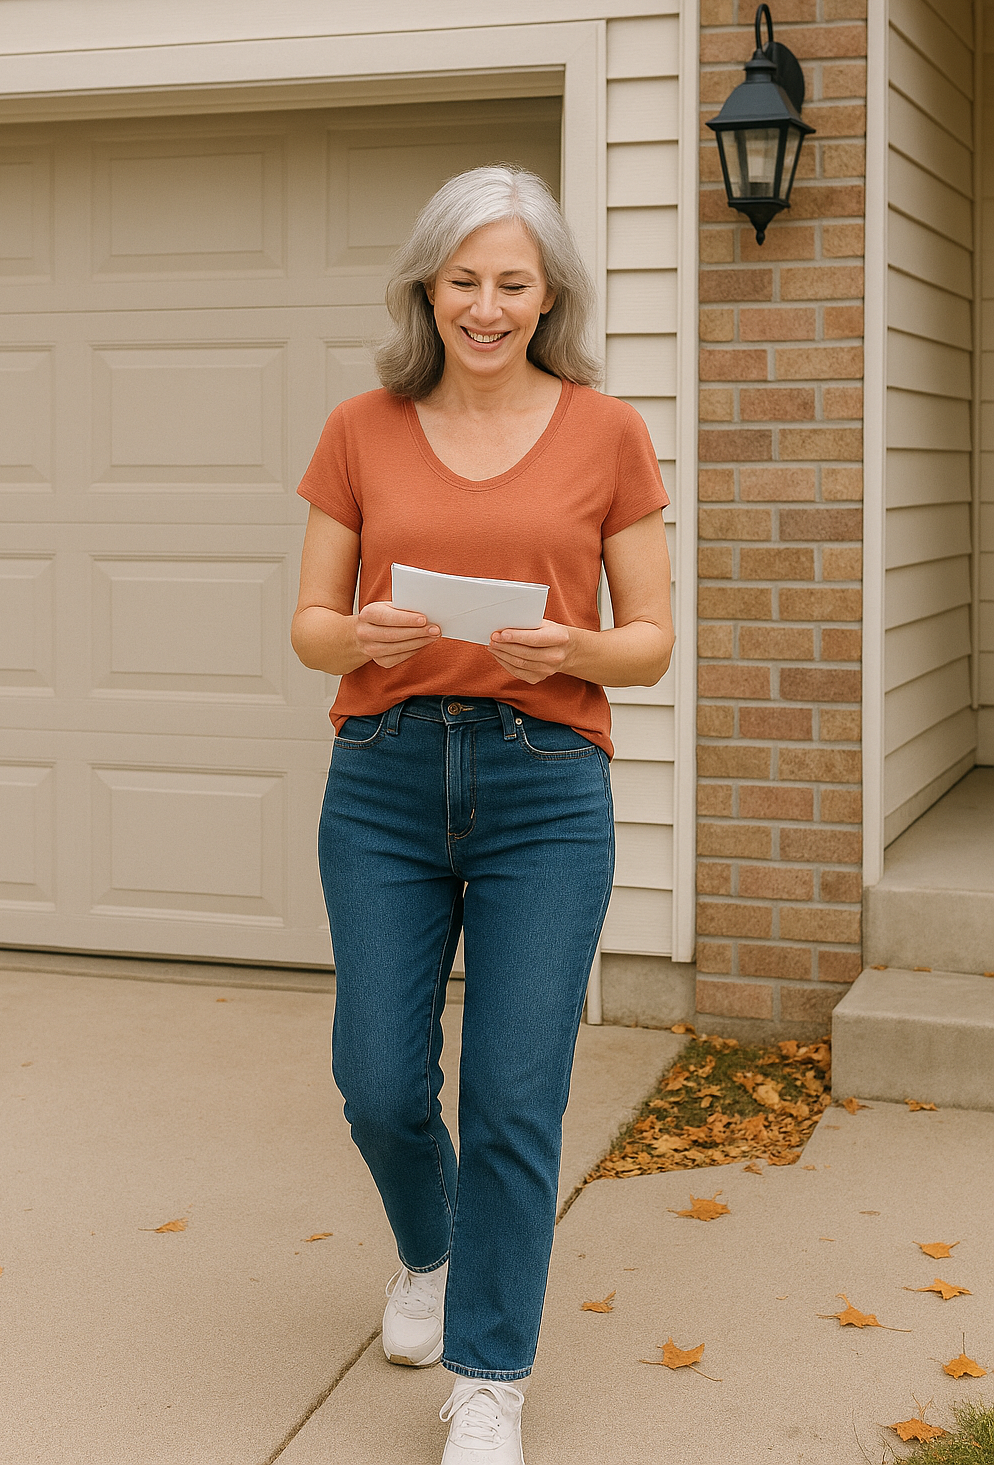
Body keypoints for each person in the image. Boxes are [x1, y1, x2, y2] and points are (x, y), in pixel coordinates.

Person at [291, 164, 674, 1464]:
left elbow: (652, 640)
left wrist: (575, 649)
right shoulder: (361, 427)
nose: (487, 306)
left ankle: (491, 1377)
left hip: (544, 787)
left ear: (549, 294)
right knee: (378, 1084)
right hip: (384, 778)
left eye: (514, 282)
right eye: (464, 279)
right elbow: (310, 627)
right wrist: (365, 631)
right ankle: (432, 1248)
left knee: (516, 1095)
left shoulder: (607, 433)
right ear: (428, 287)